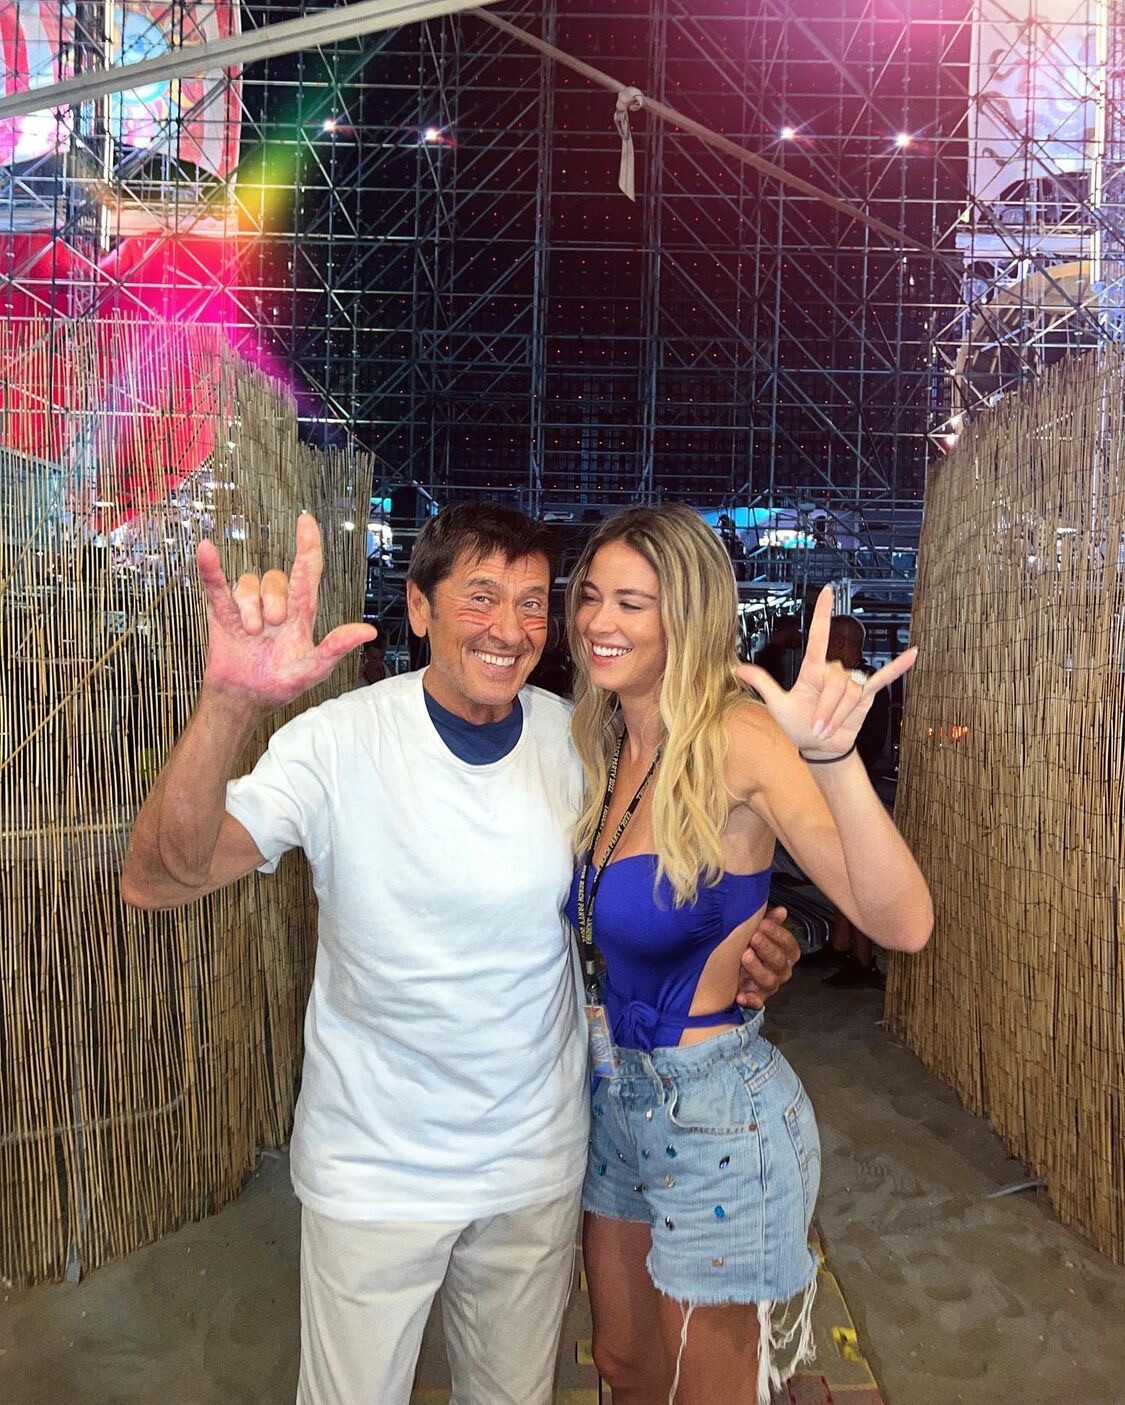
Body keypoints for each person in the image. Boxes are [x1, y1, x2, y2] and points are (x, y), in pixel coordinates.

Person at [119, 503, 801, 1405]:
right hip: (374, 1171)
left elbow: (658, 891)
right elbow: (158, 879)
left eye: (531, 602)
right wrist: (228, 704)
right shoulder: (337, 742)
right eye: (480, 596)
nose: (508, 629)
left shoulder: (578, 740)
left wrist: (754, 942)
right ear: (419, 606)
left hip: (534, 1165)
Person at [562, 506, 933, 1405]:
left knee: (709, 1389)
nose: (599, 620)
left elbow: (901, 920)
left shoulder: (736, 738)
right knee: (622, 1362)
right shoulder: (602, 740)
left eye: (632, 603)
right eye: (590, 596)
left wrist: (834, 757)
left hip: (718, 1118)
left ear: (685, 616)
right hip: (614, 1097)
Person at [817, 614, 892, 989]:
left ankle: (862, 959)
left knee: (855, 876)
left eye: (827, 641)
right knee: (838, 868)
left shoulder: (862, 683)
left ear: (841, 643)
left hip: (854, 791)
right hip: (843, 786)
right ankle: (841, 942)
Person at [752, 612, 802, 689]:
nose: (797, 634)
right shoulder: (769, 656)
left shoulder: (780, 653)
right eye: (794, 631)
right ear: (784, 631)